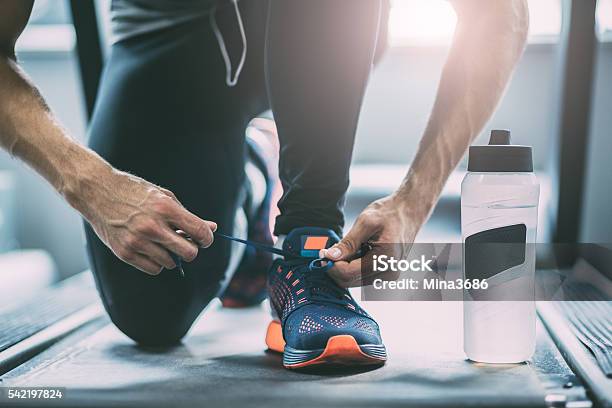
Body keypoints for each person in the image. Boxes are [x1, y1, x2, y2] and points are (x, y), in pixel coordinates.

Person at [0, 0, 529, 369]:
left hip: (324, 24)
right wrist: (92, 185)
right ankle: (255, 171)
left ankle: (307, 240)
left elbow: (497, 13)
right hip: (172, 34)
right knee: (150, 314)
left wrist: (415, 201)